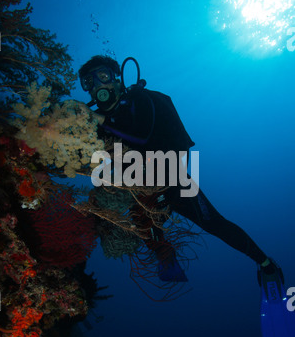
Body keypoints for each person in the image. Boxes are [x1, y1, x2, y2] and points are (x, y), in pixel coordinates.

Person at [78, 55, 279, 279]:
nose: (97, 85)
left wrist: (98, 120)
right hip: (139, 187)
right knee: (146, 226)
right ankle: (168, 260)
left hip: (172, 177)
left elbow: (141, 135)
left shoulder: (139, 100)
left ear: (116, 79)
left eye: (103, 76)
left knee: (213, 222)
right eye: (89, 82)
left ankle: (266, 263)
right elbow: (91, 159)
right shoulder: (98, 122)